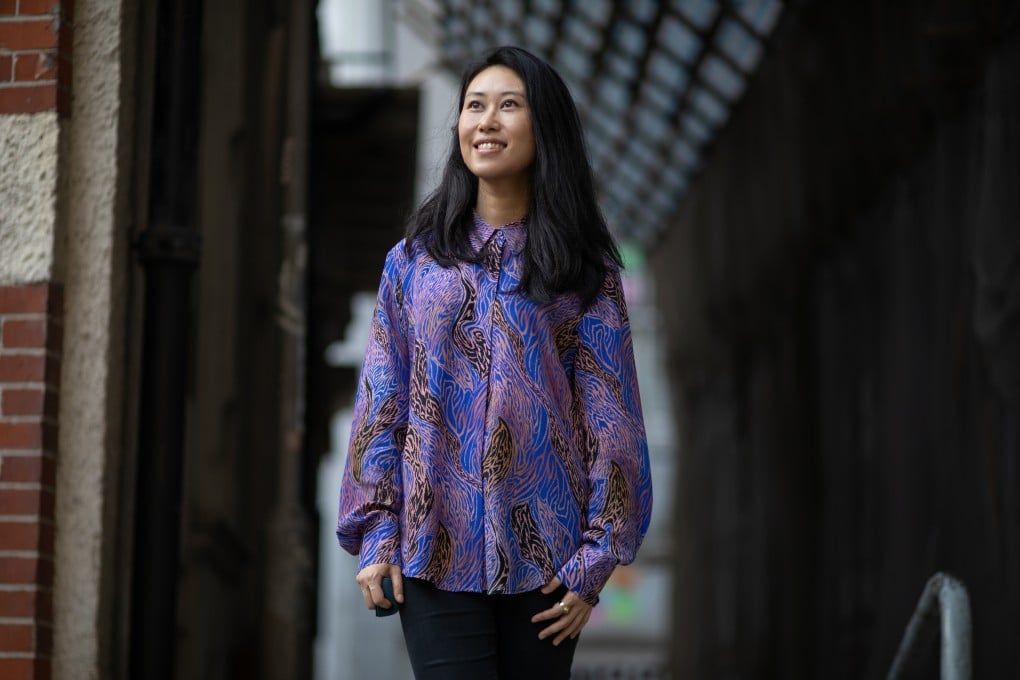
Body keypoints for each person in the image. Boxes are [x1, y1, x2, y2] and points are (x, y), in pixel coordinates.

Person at [336, 45, 653, 679]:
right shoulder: (414, 264)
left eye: (509, 106)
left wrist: (593, 566)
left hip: (549, 560)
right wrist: (376, 534)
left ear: (546, 129)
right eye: (474, 106)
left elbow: (611, 420)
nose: (486, 121)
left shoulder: (584, 273)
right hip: (432, 547)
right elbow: (381, 398)